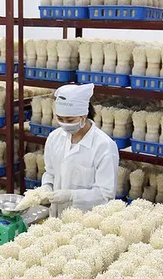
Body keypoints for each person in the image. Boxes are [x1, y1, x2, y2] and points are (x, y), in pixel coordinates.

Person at [40, 83, 120, 217]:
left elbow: (105, 194)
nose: (64, 123)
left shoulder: (104, 146)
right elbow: (50, 172)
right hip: (56, 216)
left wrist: (72, 196)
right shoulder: (54, 138)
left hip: (87, 220)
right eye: (60, 119)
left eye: (70, 120)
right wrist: (47, 186)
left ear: (84, 116)